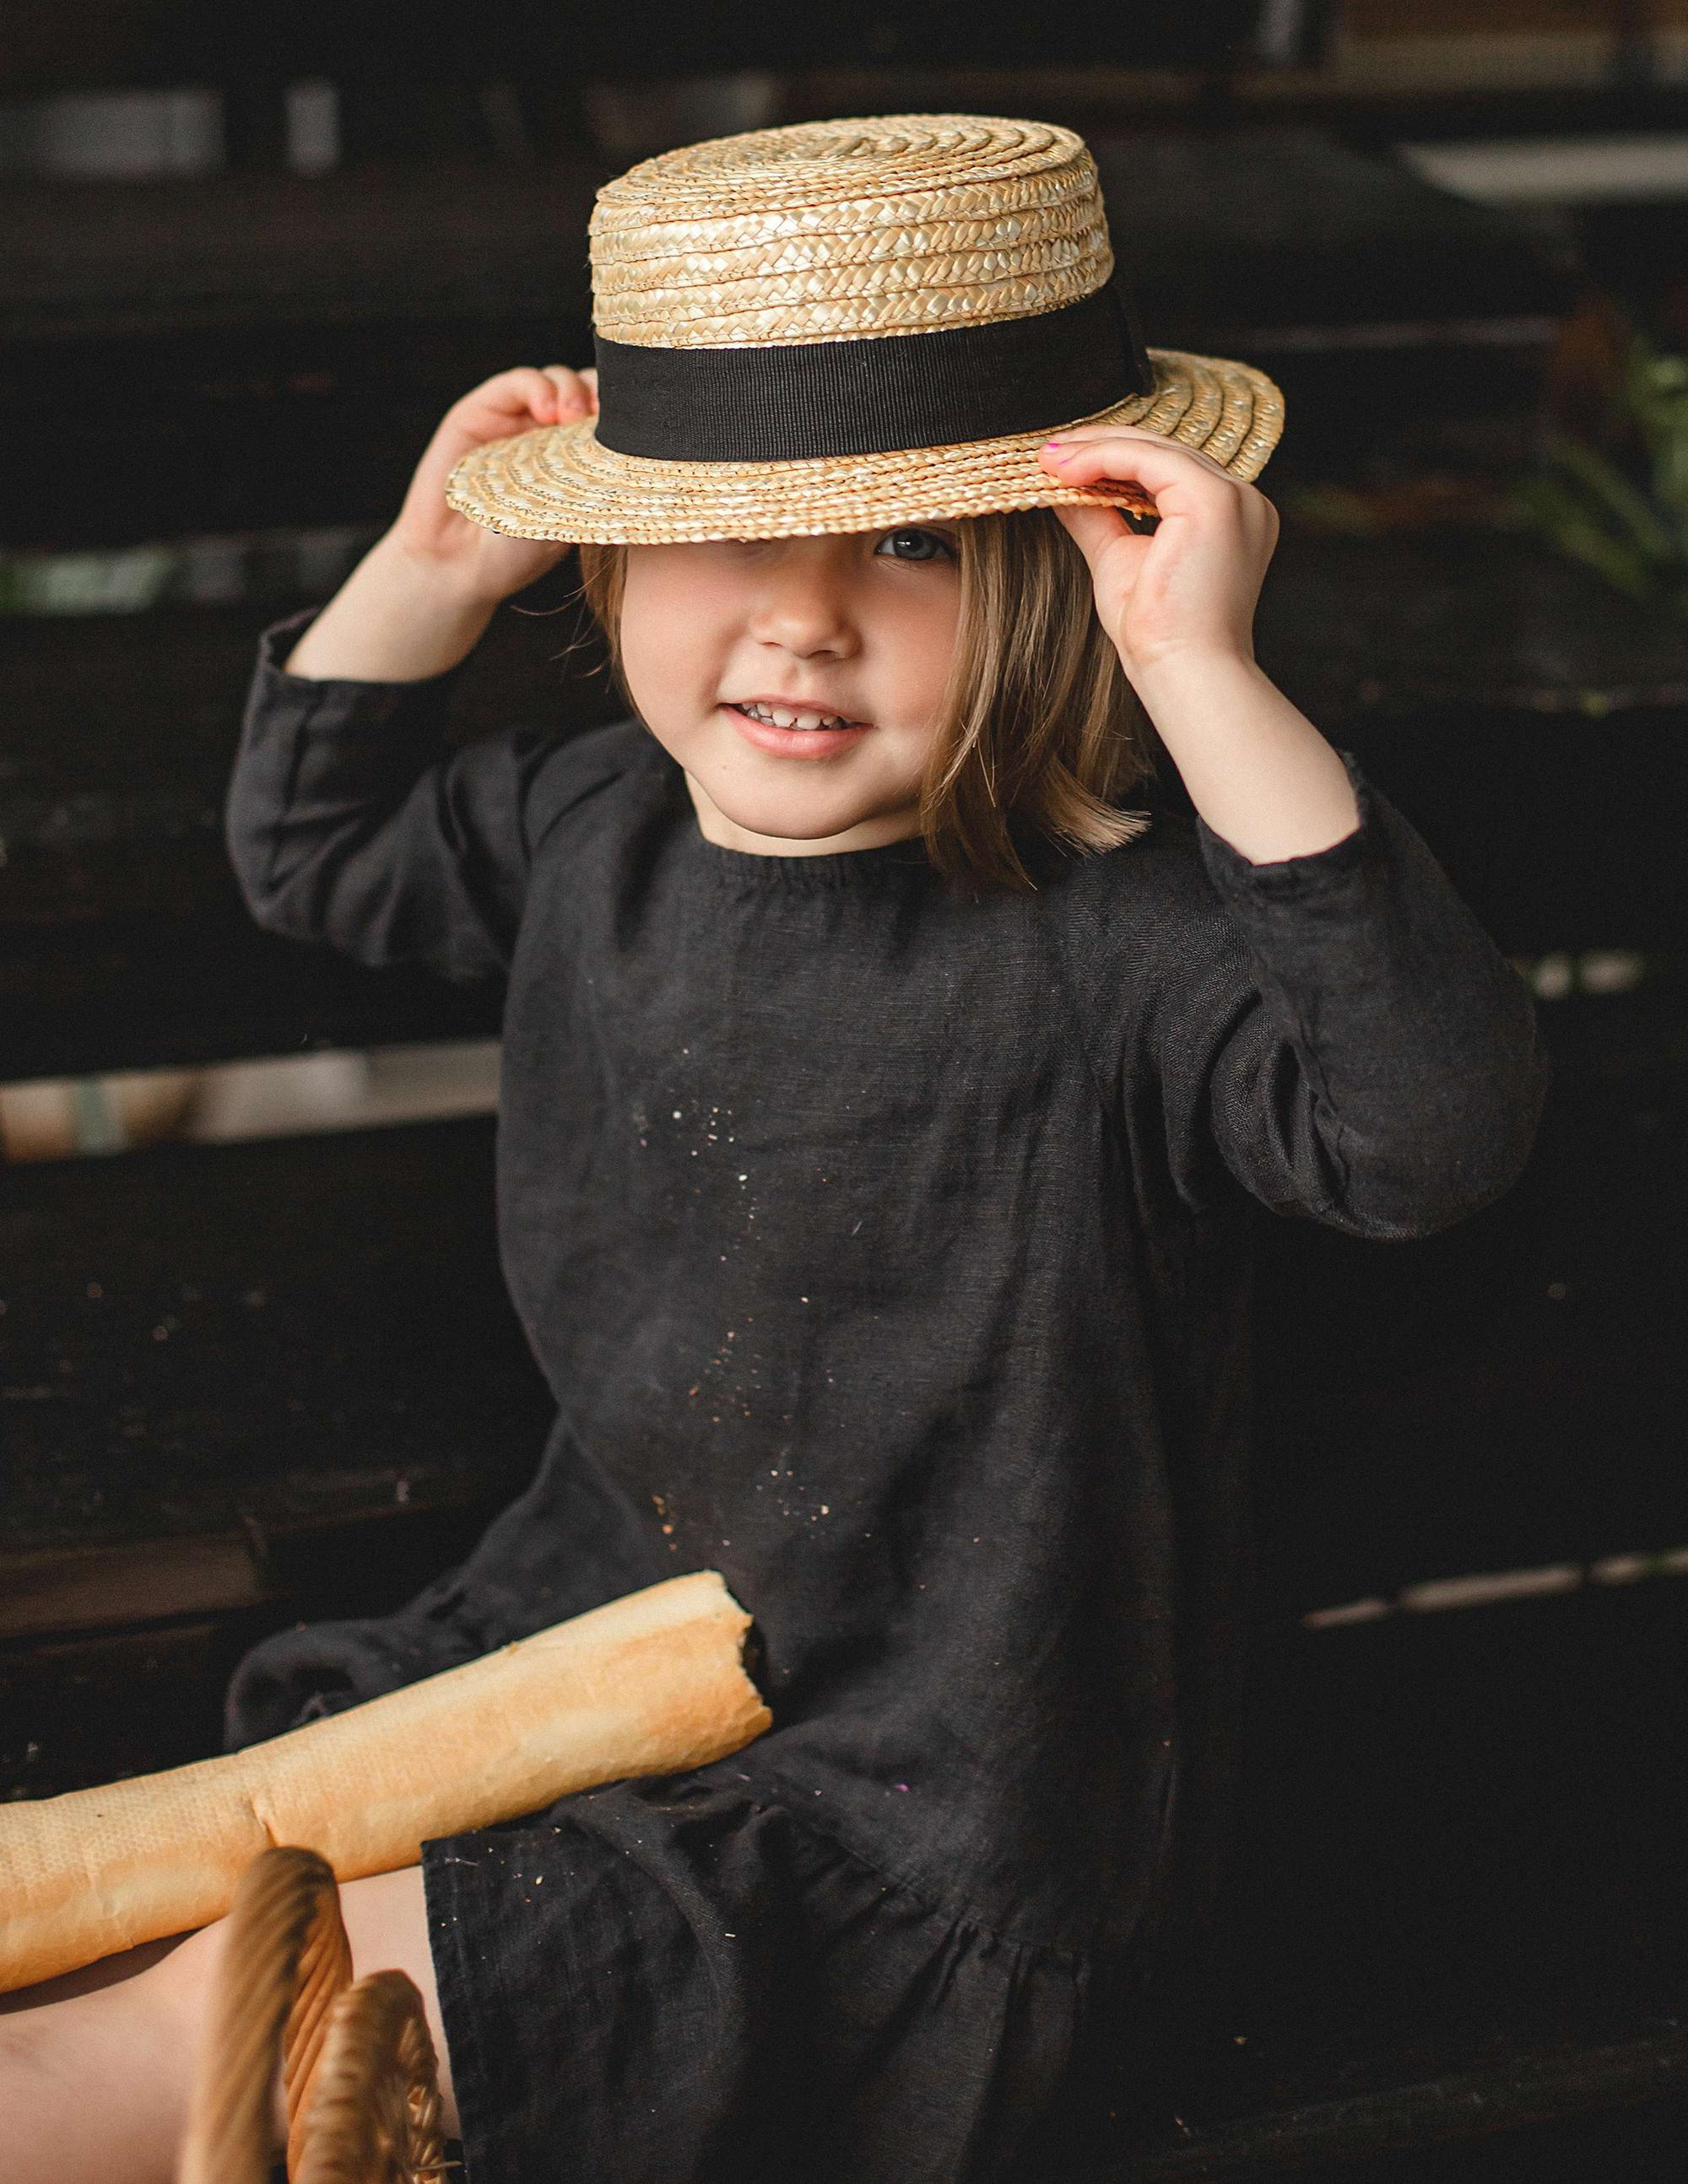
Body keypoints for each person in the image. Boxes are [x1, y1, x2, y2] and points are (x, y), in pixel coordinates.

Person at [0, 116, 1548, 2184]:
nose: (801, 620)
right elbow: (313, 854)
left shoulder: (1120, 936)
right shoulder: (591, 836)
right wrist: (434, 564)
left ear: (1062, 570)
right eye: (728, 531)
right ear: (615, 555)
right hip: (563, 1666)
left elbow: (1427, 1133)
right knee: (157, 1940)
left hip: (907, 1813)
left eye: (907, 545)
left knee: (179, 2044)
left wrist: (1204, 674)